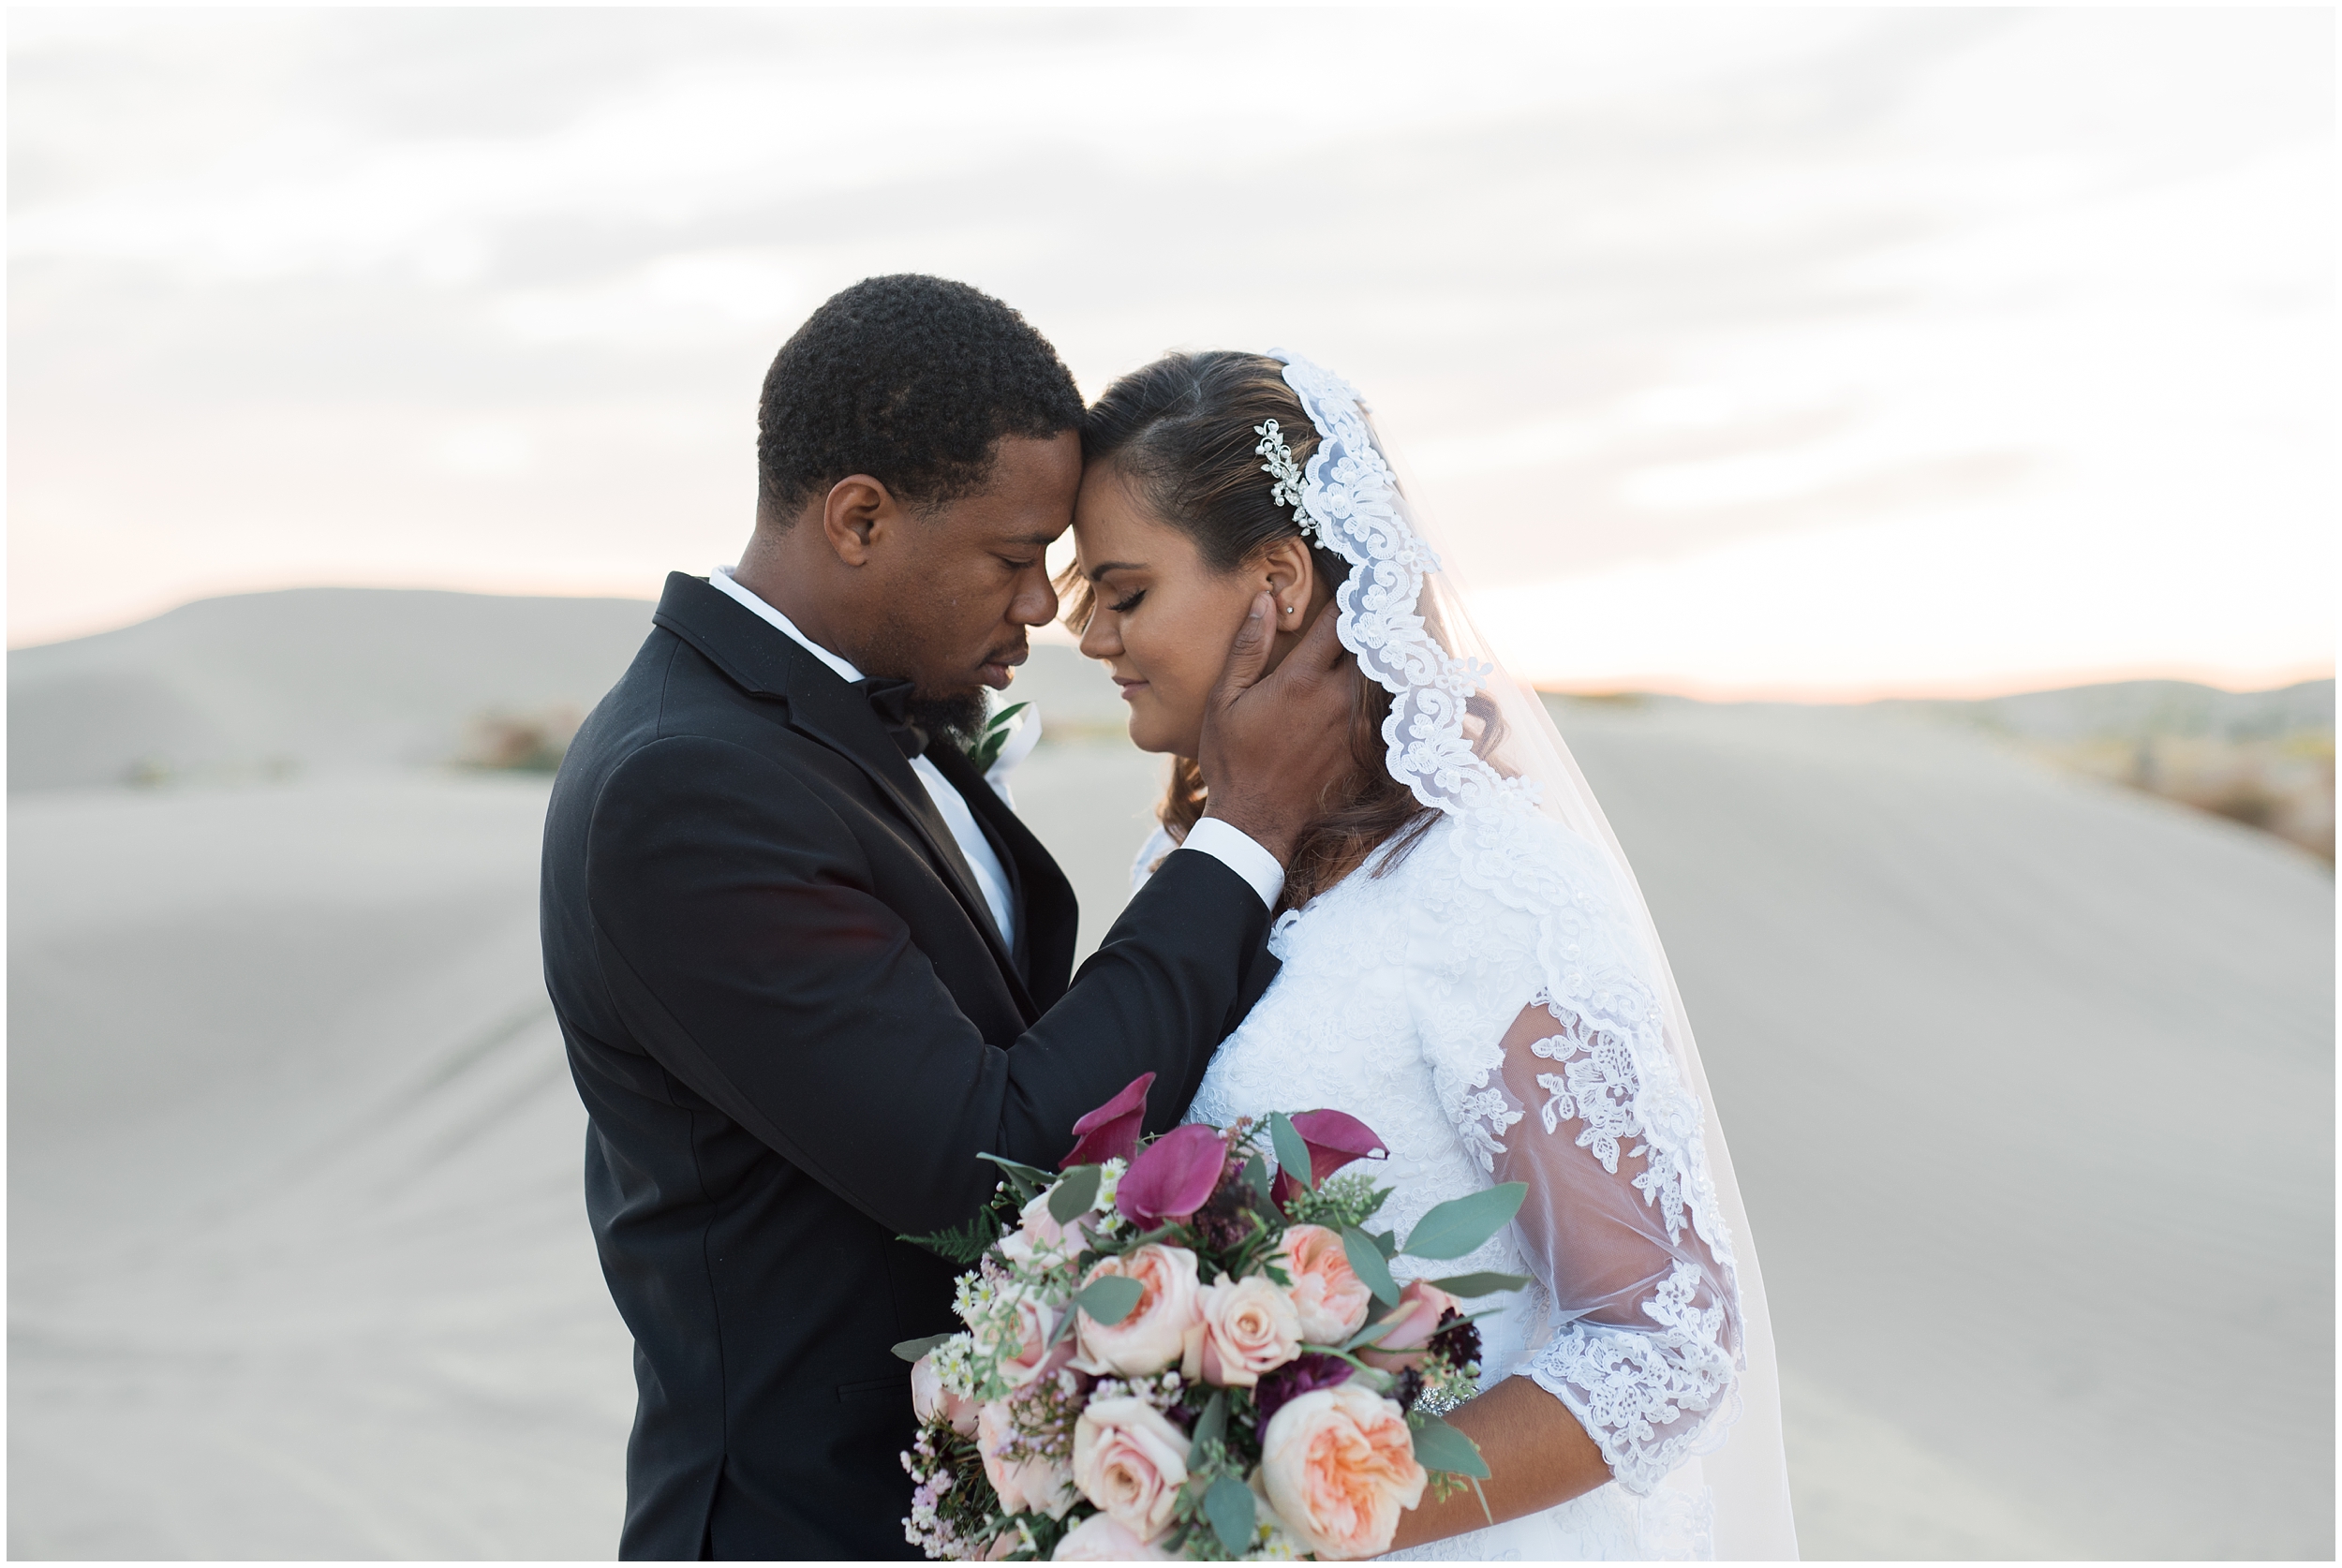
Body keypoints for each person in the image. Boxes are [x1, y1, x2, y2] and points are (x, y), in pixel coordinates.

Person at [539, 279, 1359, 1560]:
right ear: (861, 518)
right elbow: (991, 1162)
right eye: (1015, 556)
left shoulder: (840, 719)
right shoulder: (682, 789)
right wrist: (1242, 835)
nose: (1045, 607)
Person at [1065, 349, 1800, 1560]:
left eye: (1125, 591)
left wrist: (1316, 1508)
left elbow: (1664, 1333)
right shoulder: (1194, 875)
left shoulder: (1486, 888)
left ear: (1279, 580)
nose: (1091, 633)